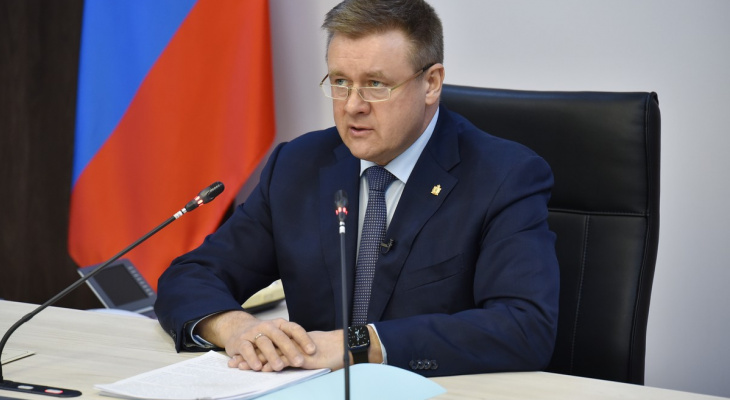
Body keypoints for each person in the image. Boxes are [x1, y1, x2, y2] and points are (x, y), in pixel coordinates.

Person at [155, 0, 559, 377]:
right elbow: (191, 275)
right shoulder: (298, 165)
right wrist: (236, 327)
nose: (352, 105)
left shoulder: (504, 176)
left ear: (431, 83)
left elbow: (525, 327)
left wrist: (361, 345)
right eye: (340, 82)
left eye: (375, 84)